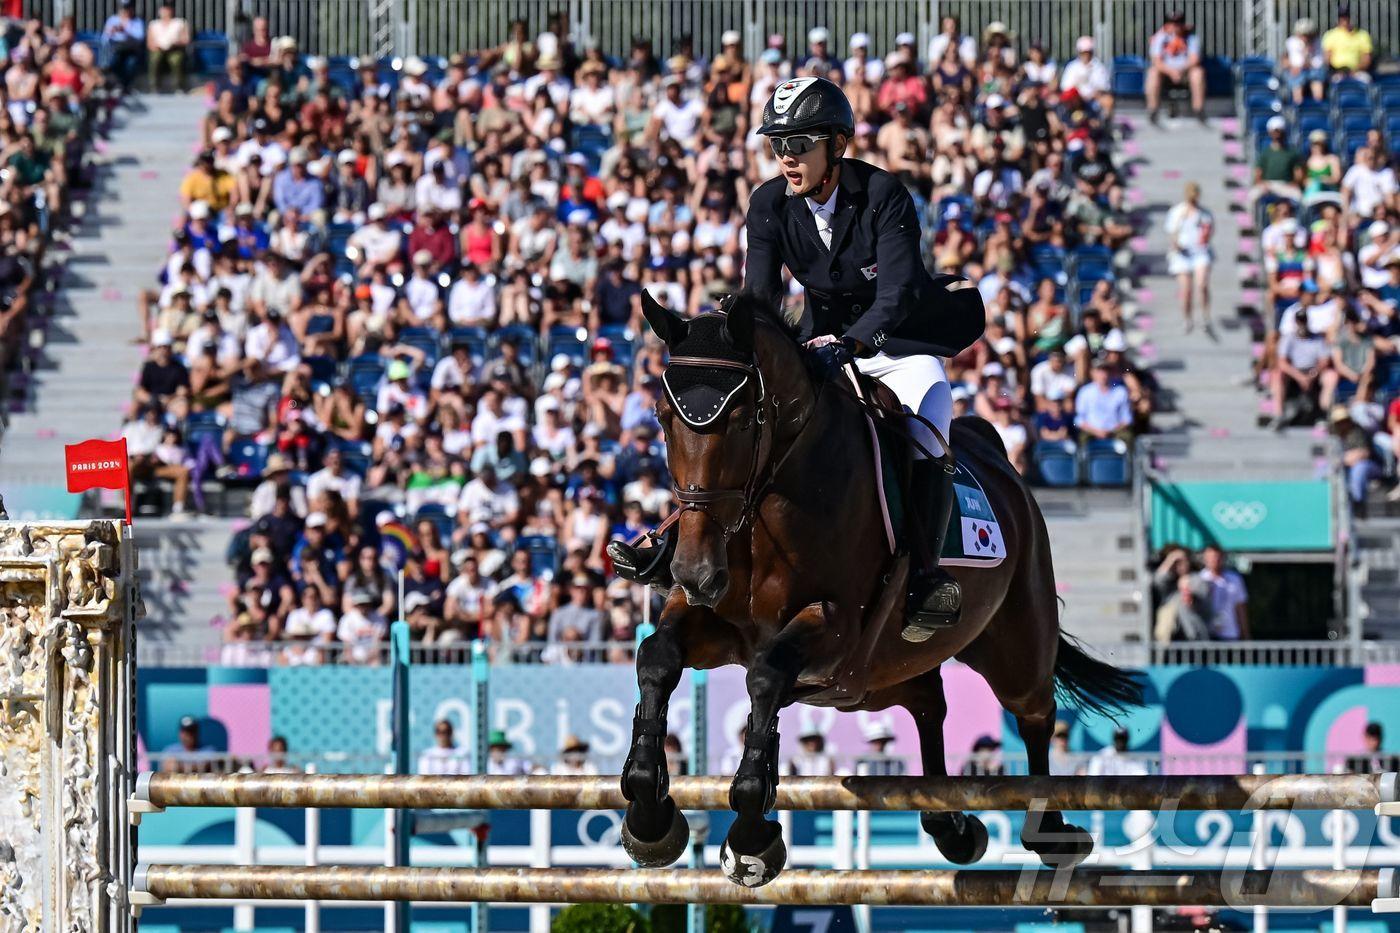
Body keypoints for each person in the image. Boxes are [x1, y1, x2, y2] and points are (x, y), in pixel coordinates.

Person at [690, 76, 984, 640]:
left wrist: (849, 344)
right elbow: (762, 296)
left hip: (898, 343)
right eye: (780, 145)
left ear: (837, 145)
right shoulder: (769, 204)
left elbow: (895, 294)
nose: (787, 157)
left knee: (932, 419)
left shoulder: (883, 195)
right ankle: (696, 545)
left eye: (800, 143)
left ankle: (923, 574)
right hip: (820, 342)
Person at [1164, 181, 1214, 333]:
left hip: (1199, 253)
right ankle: (1187, 318)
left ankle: (1205, 315)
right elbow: (1172, 233)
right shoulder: (1177, 212)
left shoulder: (1205, 213)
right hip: (1182, 254)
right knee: (1186, 290)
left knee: (1201, 284)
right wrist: (1177, 243)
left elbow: (1209, 232)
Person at [1146, 10, 1205, 125]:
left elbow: (1194, 59)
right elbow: (1156, 61)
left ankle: (1198, 110)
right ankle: (1153, 110)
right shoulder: (1159, 37)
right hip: (1165, 73)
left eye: (1178, 23)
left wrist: (1181, 70)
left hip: (1185, 72)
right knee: (1153, 72)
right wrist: (1171, 72)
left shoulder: (1191, 38)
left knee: (1198, 72)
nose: (1175, 26)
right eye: (1172, 23)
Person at [1198, 544, 1250, 641]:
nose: (1215, 560)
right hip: (1207, 633)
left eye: (1218, 557)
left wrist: (1245, 632)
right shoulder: (1199, 579)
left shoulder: (1234, 579)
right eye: (1212, 557)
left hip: (1230, 633)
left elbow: (1240, 607)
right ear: (1205, 559)